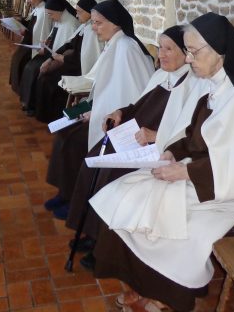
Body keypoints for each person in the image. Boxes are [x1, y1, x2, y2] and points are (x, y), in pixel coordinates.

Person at [90, 13, 234, 312]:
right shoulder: (219, 84)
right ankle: (142, 285)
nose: (188, 59)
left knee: (165, 217)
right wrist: (174, 151)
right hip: (212, 170)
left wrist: (186, 172)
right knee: (127, 192)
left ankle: (167, 295)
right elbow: (196, 135)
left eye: (193, 52)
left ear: (219, 51)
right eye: (187, 51)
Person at [66, 25, 195, 270]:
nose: (161, 55)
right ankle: (93, 233)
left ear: (186, 52)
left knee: (112, 175)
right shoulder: (161, 75)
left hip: (157, 151)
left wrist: (155, 136)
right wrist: (120, 112)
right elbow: (137, 105)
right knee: (94, 159)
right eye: (160, 48)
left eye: (169, 49)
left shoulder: (193, 84)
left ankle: (104, 248)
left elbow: (187, 134)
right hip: (134, 140)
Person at [44, 0, 154, 219]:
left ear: (115, 23)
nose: (94, 28)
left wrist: (100, 114)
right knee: (64, 135)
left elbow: (135, 94)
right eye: (93, 22)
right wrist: (91, 109)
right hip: (102, 112)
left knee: (74, 143)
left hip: (119, 122)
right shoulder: (114, 43)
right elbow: (105, 87)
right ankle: (67, 193)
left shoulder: (127, 49)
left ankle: (77, 202)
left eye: (98, 23)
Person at [34, 0, 102, 124]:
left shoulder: (92, 31)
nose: (76, 15)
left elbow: (84, 58)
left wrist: (62, 58)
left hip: (80, 69)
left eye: (79, 12)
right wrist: (52, 58)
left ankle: (54, 117)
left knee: (50, 82)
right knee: (44, 78)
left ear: (89, 12)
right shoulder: (84, 27)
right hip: (73, 63)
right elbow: (68, 44)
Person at [19, 0, 79, 114]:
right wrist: (46, 43)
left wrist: (50, 57)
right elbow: (52, 36)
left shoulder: (71, 24)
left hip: (60, 60)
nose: (49, 17)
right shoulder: (59, 19)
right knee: (30, 66)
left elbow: (66, 49)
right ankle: (29, 103)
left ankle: (34, 106)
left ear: (59, 11)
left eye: (50, 14)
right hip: (52, 54)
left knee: (37, 71)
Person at [9, 0, 50, 94]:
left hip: (34, 42)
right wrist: (20, 23)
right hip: (29, 40)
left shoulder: (44, 10)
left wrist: (26, 31)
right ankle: (19, 87)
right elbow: (30, 23)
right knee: (16, 57)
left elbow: (40, 31)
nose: (28, 1)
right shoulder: (38, 8)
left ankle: (22, 88)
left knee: (21, 60)